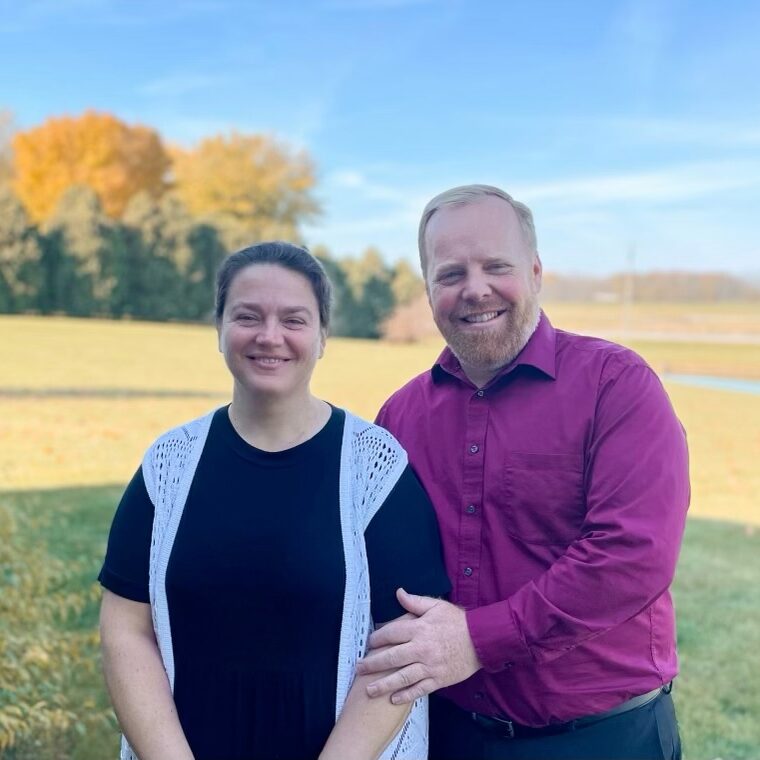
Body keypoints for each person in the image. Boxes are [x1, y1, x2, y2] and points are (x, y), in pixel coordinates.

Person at [358, 185, 689, 760]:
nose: (475, 289)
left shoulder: (617, 386)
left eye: (496, 266)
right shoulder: (399, 417)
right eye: (451, 272)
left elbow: (632, 555)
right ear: (430, 289)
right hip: (448, 733)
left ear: (535, 272)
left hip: (598, 739)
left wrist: (476, 640)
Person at [98, 241, 450, 760]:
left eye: (294, 319)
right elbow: (125, 628)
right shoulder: (169, 464)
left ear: (323, 335)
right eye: (247, 316)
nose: (270, 336)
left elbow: (404, 646)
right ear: (219, 328)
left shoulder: (376, 468)